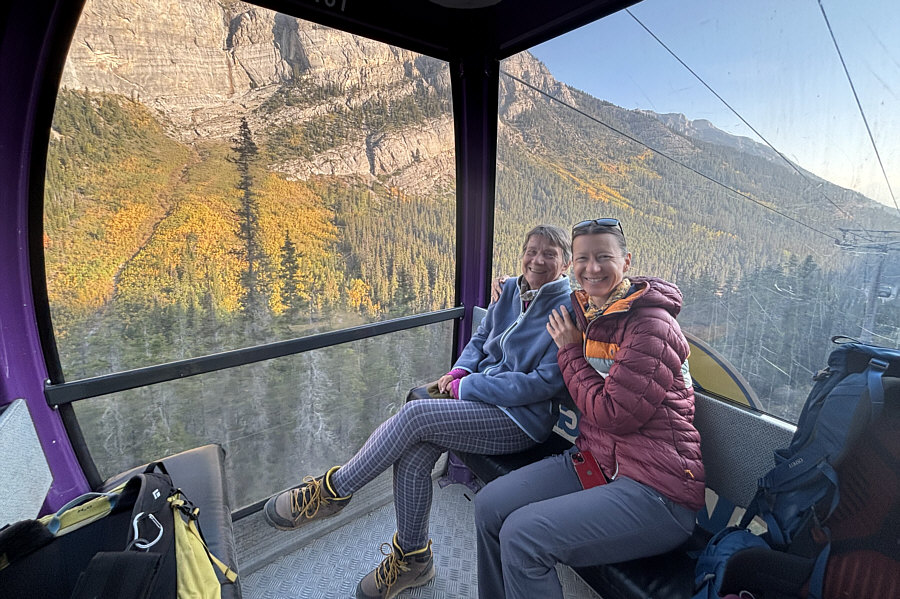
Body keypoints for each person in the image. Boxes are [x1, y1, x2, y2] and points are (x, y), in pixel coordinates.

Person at [263, 224, 575, 599]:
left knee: (416, 415)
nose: (537, 260)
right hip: (479, 400)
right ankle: (414, 560)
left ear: (566, 264)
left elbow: (542, 385)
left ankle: (333, 491)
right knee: (414, 453)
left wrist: (469, 385)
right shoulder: (508, 290)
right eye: (531, 250)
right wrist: (460, 369)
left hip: (520, 420)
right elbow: (480, 339)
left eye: (549, 254)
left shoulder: (567, 310)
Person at [475, 217, 705, 599]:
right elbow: (542, 290)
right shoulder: (588, 309)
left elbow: (614, 415)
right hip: (597, 462)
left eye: (604, 257)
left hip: (658, 490)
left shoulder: (652, 326)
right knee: (489, 506)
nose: (592, 268)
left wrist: (569, 350)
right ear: (571, 266)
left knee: (523, 536)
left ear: (626, 262)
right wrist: (512, 288)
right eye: (583, 259)